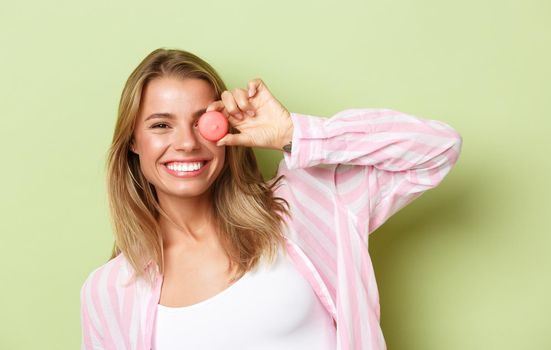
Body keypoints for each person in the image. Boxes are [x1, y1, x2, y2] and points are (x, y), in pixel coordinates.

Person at [80, 48, 463, 350]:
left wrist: (292, 132)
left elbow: (436, 151)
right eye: (161, 125)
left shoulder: (303, 203)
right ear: (133, 141)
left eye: (202, 122)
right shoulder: (110, 291)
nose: (186, 143)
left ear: (227, 129)